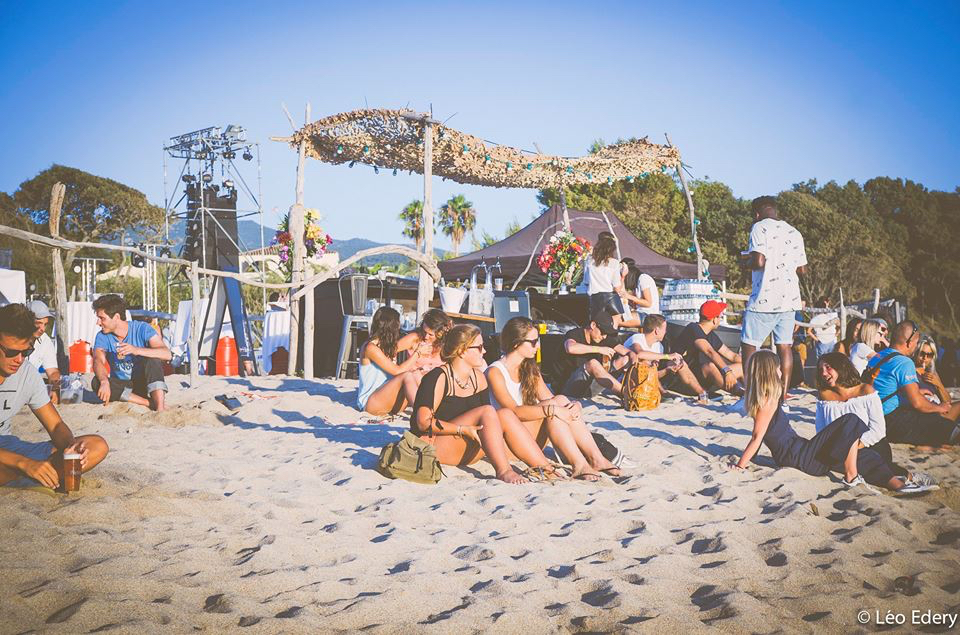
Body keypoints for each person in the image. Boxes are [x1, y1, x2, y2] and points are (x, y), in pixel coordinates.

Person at [732, 350, 929, 492]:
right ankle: (851, 476)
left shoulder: (767, 399)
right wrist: (740, 465)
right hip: (797, 457)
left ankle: (898, 485)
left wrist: (751, 458)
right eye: (777, 369)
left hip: (800, 452)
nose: (781, 372)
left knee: (867, 457)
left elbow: (760, 435)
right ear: (768, 372)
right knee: (851, 420)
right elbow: (757, 436)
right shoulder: (767, 401)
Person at [411, 324, 563, 484]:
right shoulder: (438, 377)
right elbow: (423, 423)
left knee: (504, 414)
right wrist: (462, 429)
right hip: (433, 446)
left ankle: (545, 468)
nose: (484, 351)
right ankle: (504, 471)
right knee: (487, 411)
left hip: (468, 445)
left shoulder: (478, 378)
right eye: (479, 347)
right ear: (462, 351)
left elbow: (489, 423)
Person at [487, 317, 621, 481]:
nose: (538, 346)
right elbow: (513, 412)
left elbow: (551, 398)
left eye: (538, 341)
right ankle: (580, 464)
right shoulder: (495, 371)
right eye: (533, 342)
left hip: (533, 437)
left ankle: (596, 458)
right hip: (511, 441)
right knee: (553, 407)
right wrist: (553, 409)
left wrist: (574, 405)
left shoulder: (529, 368)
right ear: (516, 343)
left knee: (561, 400)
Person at [0, 304, 109, 488]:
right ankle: (33, 474)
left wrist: (71, 448)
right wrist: (24, 463)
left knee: (97, 445)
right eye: (11, 352)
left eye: (26, 352)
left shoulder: (27, 373)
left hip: (11, 447)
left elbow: (55, 425)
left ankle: (34, 475)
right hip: (12, 458)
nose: (19, 359)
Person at [739, 196, 807, 400]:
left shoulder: (759, 228)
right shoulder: (794, 232)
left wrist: (745, 262)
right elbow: (802, 270)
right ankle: (783, 396)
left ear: (756, 214)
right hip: (789, 300)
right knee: (784, 346)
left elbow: (758, 261)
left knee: (749, 344)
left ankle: (750, 394)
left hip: (764, 298)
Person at [866, 320, 960, 447]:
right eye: (916, 343)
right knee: (945, 424)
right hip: (891, 421)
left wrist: (917, 392)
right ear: (909, 343)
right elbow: (918, 403)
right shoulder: (904, 362)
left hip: (873, 416)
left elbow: (884, 388)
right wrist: (940, 408)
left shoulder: (877, 356)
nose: (916, 347)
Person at [91, 294, 171, 412]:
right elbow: (98, 360)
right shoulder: (102, 336)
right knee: (96, 382)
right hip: (124, 386)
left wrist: (136, 350)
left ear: (116, 317)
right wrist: (104, 381)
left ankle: (160, 408)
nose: (98, 322)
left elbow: (167, 354)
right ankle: (149, 403)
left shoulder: (142, 328)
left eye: (102, 318)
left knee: (153, 360)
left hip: (145, 383)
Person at [357, 307, 440, 416]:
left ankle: (432, 409)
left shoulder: (386, 345)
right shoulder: (370, 348)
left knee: (415, 374)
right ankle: (423, 414)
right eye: (398, 325)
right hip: (371, 403)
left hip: (390, 400)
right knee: (407, 375)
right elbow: (397, 371)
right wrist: (418, 353)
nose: (399, 328)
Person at [625, 314, 710, 404]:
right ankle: (663, 393)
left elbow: (654, 374)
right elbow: (640, 354)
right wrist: (668, 356)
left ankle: (702, 393)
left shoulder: (658, 346)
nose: (665, 332)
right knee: (644, 362)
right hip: (630, 380)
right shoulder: (637, 338)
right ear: (657, 330)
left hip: (648, 379)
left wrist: (668, 370)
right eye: (664, 329)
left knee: (679, 363)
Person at [557, 310, 635, 398]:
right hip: (565, 387)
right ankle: (627, 394)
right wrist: (599, 349)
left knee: (625, 360)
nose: (604, 336)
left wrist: (634, 363)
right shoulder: (575, 333)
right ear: (593, 325)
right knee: (593, 364)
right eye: (603, 332)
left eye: (607, 333)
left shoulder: (603, 338)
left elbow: (629, 352)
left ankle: (635, 391)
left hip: (589, 388)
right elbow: (570, 348)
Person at [673, 300, 743, 394]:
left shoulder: (710, 334)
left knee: (742, 367)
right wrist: (727, 372)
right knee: (709, 366)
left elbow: (732, 356)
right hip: (685, 381)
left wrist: (753, 362)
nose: (720, 320)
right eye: (720, 317)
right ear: (714, 319)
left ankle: (752, 393)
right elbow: (709, 351)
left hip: (703, 379)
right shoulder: (693, 328)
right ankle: (743, 394)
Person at [25, 300, 61, 404]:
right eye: (38, 323)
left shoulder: (45, 341)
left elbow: (53, 372)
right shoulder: (12, 337)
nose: (43, 329)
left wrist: (54, 387)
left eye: (45, 324)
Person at [584, 231, 624, 318]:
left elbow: (586, 282)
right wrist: (623, 276)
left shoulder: (589, 261)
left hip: (593, 300)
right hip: (608, 300)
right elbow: (617, 288)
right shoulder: (614, 263)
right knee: (616, 321)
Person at [914, 335, 951, 407]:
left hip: (938, 408)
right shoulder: (911, 371)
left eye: (929, 355)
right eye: (922, 353)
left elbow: (948, 401)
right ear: (916, 352)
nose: (925, 358)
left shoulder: (933, 373)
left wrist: (938, 384)